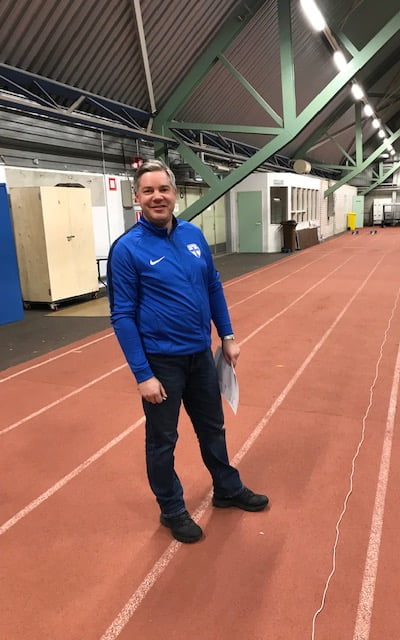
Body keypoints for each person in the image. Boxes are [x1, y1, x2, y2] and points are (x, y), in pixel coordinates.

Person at [107, 159, 268, 543]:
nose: (157, 197)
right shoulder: (127, 250)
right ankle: (172, 509)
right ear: (137, 197)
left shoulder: (193, 236)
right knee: (163, 440)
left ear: (175, 194)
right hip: (162, 363)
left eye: (163, 189)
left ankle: (226, 488)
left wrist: (227, 335)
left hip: (200, 355)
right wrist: (143, 375)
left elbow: (212, 286)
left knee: (213, 427)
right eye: (148, 191)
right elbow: (122, 316)